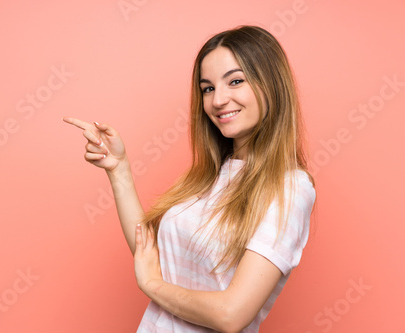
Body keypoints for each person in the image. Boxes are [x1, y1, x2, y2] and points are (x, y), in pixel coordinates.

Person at [63, 25, 317, 333]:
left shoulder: (290, 188)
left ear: (272, 86)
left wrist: (152, 285)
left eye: (235, 81)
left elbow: (231, 315)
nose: (218, 100)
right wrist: (118, 170)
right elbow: (152, 258)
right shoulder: (213, 175)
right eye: (207, 88)